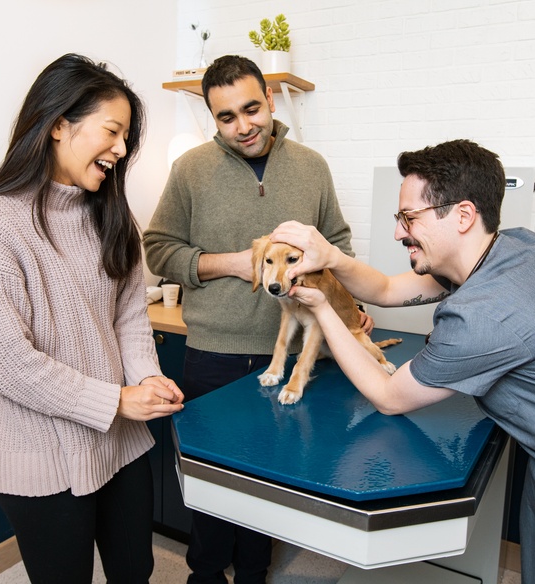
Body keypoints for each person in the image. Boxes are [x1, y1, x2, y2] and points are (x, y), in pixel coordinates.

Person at [0, 54, 184, 584]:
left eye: (127, 138)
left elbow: (128, 317)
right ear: (59, 125)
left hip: (121, 445)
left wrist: (145, 375)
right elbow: (3, 361)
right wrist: (117, 399)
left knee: (136, 571)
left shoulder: (111, 216)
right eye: (113, 132)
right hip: (42, 461)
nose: (122, 150)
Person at [143, 54, 370, 584]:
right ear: (212, 118)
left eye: (251, 108)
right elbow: (157, 248)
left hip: (289, 355)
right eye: (226, 117)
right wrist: (236, 263)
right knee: (213, 490)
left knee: (269, 485)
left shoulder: (311, 166)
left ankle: (252, 574)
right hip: (214, 355)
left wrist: (347, 309)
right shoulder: (190, 169)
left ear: (269, 101)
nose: (243, 126)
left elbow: (335, 246)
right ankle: (204, 575)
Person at [271, 139, 534, 584]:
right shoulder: (510, 248)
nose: (398, 232)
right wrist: (332, 258)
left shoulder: (481, 315)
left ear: (464, 215)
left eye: (409, 218)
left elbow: (389, 396)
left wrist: (321, 308)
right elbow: (389, 291)